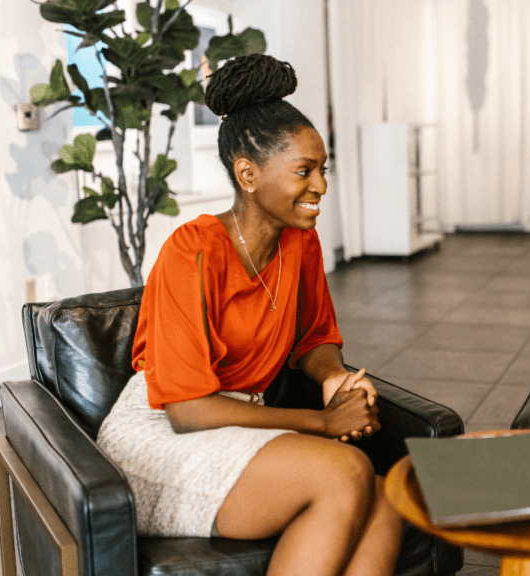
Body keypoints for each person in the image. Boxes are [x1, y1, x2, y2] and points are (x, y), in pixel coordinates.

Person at [96, 53, 404, 576]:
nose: (321, 187)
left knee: (386, 495)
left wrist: (333, 377)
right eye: (304, 171)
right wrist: (324, 422)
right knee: (343, 472)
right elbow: (188, 411)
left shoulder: (299, 244)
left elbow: (314, 340)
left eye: (322, 170)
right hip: (160, 435)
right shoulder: (191, 252)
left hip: (237, 423)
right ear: (248, 174)